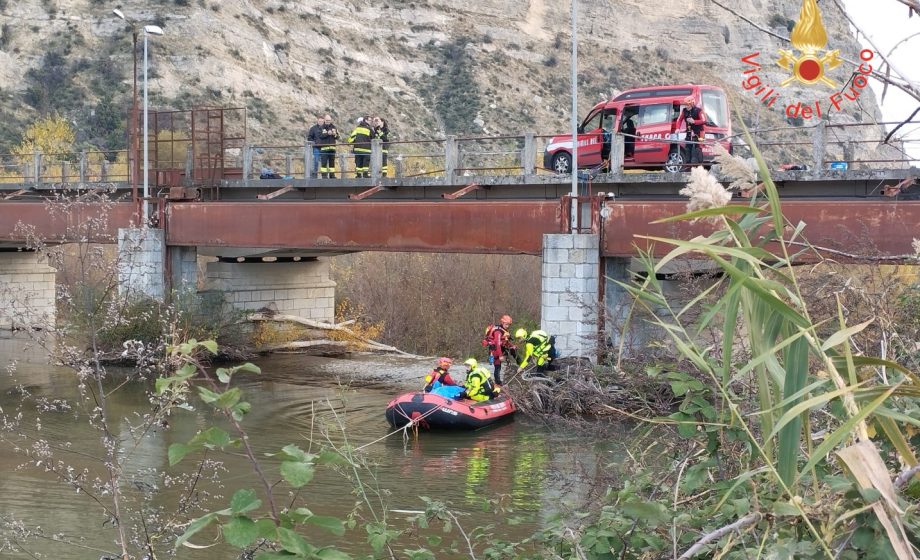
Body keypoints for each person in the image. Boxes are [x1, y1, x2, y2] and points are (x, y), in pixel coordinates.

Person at [482, 314, 515, 386]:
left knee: (499, 365)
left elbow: (505, 341)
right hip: (495, 350)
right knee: (497, 366)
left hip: (499, 349)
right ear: (502, 323)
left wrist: (512, 346)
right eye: (506, 324)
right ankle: (497, 382)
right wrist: (500, 355)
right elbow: (497, 343)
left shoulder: (503, 330)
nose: (507, 326)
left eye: (508, 325)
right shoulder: (498, 331)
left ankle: (498, 381)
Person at [675, 96, 707, 166]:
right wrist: (677, 128)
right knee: (687, 148)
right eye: (685, 104)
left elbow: (704, 120)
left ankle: (699, 165)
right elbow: (679, 120)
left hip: (699, 132)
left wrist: (694, 121)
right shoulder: (684, 111)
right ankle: (687, 165)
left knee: (698, 148)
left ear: (692, 103)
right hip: (689, 132)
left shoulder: (699, 110)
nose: (686, 106)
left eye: (687, 104)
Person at [317, 114, 339, 178]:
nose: (328, 121)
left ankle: (332, 175)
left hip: (332, 149)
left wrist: (335, 134)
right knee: (324, 163)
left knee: (332, 163)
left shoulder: (334, 127)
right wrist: (327, 133)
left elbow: (338, 137)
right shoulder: (321, 127)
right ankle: (324, 176)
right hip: (324, 149)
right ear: (324, 120)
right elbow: (320, 136)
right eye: (327, 120)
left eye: (329, 120)